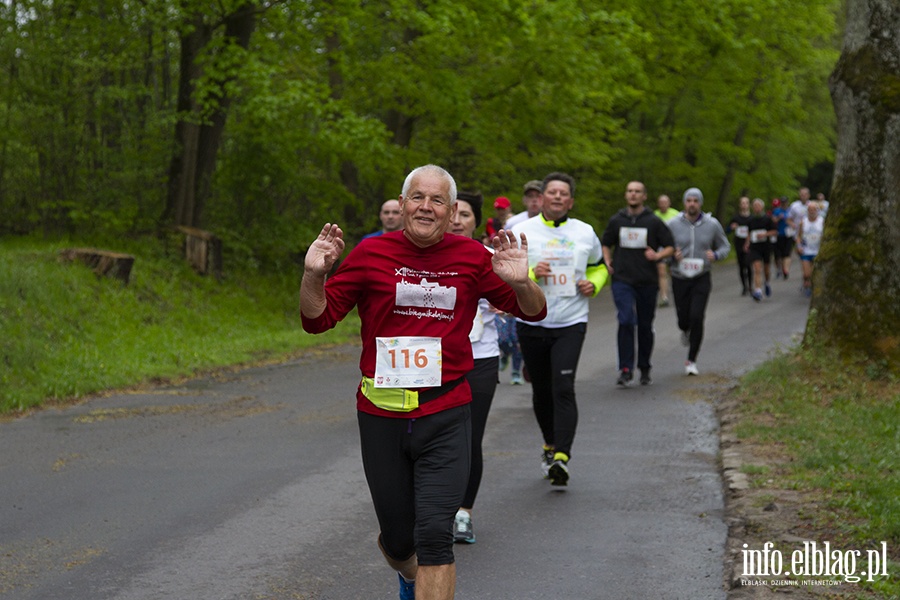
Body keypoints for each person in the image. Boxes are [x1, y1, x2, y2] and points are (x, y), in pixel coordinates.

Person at [300, 165, 547, 600]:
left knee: (435, 535)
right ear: (402, 204)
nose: (426, 207)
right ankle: (409, 574)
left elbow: (534, 311)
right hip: (382, 414)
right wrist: (313, 274)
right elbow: (316, 320)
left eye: (437, 201)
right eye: (417, 198)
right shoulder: (370, 253)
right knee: (399, 541)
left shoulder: (472, 256)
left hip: (446, 411)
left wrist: (522, 282)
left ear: (453, 212)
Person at [511, 172, 607, 486]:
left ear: (570, 201)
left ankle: (562, 457)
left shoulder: (585, 232)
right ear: (541, 197)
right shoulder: (520, 229)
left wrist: (592, 283)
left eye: (563, 193)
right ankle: (550, 444)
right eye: (552, 192)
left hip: (571, 320)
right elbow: (504, 268)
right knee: (541, 390)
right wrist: (529, 272)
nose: (557, 197)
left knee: (563, 387)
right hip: (532, 320)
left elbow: (599, 266)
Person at [446, 190, 497, 544]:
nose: (458, 220)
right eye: (454, 213)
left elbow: (520, 298)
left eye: (466, 215)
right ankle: (434, 510)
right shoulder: (425, 257)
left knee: (470, 437)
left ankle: (463, 512)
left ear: (477, 221)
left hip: (480, 357)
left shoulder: (493, 258)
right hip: (437, 361)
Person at [601, 181, 675, 387]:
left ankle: (644, 367)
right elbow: (606, 243)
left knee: (644, 325)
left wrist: (658, 254)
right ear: (626, 195)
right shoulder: (617, 220)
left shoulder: (653, 221)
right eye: (630, 191)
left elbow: (670, 246)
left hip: (647, 280)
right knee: (625, 319)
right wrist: (607, 260)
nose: (633, 194)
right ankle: (625, 368)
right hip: (622, 279)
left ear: (644, 196)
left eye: (637, 192)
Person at [667, 188, 731, 376]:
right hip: (679, 277)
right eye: (689, 200)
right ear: (684, 203)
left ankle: (692, 359)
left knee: (697, 316)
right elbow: (661, 248)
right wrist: (671, 255)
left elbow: (725, 245)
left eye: (695, 200)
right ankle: (685, 329)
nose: (692, 204)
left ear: (700, 203)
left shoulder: (712, 224)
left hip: (701, 276)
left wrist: (716, 254)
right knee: (683, 319)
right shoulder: (672, 224)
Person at [745, 198, 777, 302]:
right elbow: (749, 233)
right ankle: (758, 290)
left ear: (762, 207)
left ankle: (767, 282)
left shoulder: (768, 219)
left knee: (766, 269)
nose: (757, 208)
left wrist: (764, 234)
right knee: (757, 269)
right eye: (755, 206)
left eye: (758, 206)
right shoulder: (750, 220)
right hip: (755, 248)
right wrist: (747, 243)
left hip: (766, 247)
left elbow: (774, 232)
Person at [653, 194, 680, 307]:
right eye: (661, 203)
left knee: (674, 271)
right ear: (658, 204)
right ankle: (664, 296)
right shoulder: (654, 215)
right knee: (661, 271)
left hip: (674, 246)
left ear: (669, 203)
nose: (663, 205)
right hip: (660, 247)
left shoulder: (676, 215)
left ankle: (678, 292)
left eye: (665, 202)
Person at [796, 201, 825, 297]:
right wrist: (799, 246)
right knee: (807, 274)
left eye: (814, 209)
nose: (812, 211)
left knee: (814, 272)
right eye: (810, 209)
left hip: (818, 251)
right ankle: (806, 282)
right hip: (806, 250)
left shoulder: (822, 221)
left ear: (817, 210)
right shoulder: (803, 222)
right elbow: (798, 236)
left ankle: (811, 287)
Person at [728, 196, 753, 295]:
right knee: (741, 266)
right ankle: (744, 286)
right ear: (739, 205)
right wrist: (731, 227)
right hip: (738, 243)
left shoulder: (752, 218)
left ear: (749, 205)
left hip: (750, 244)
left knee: (748, 265)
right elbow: (727, 230)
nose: (744, 205)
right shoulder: (736, 218)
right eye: (742, 203)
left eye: (746, 203)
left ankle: (750, 286)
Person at [771, 197, 792, 279]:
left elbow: (794, 221)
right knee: (777, 255)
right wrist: (779, 218)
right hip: (778, 235)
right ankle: (779, 268)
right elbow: (773, 221)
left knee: (786, 253)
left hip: (788, 234)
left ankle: (785, 270)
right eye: (782, 202)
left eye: (785, 202)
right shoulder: (777, 211)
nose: (784, 204)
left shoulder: (790, 211)